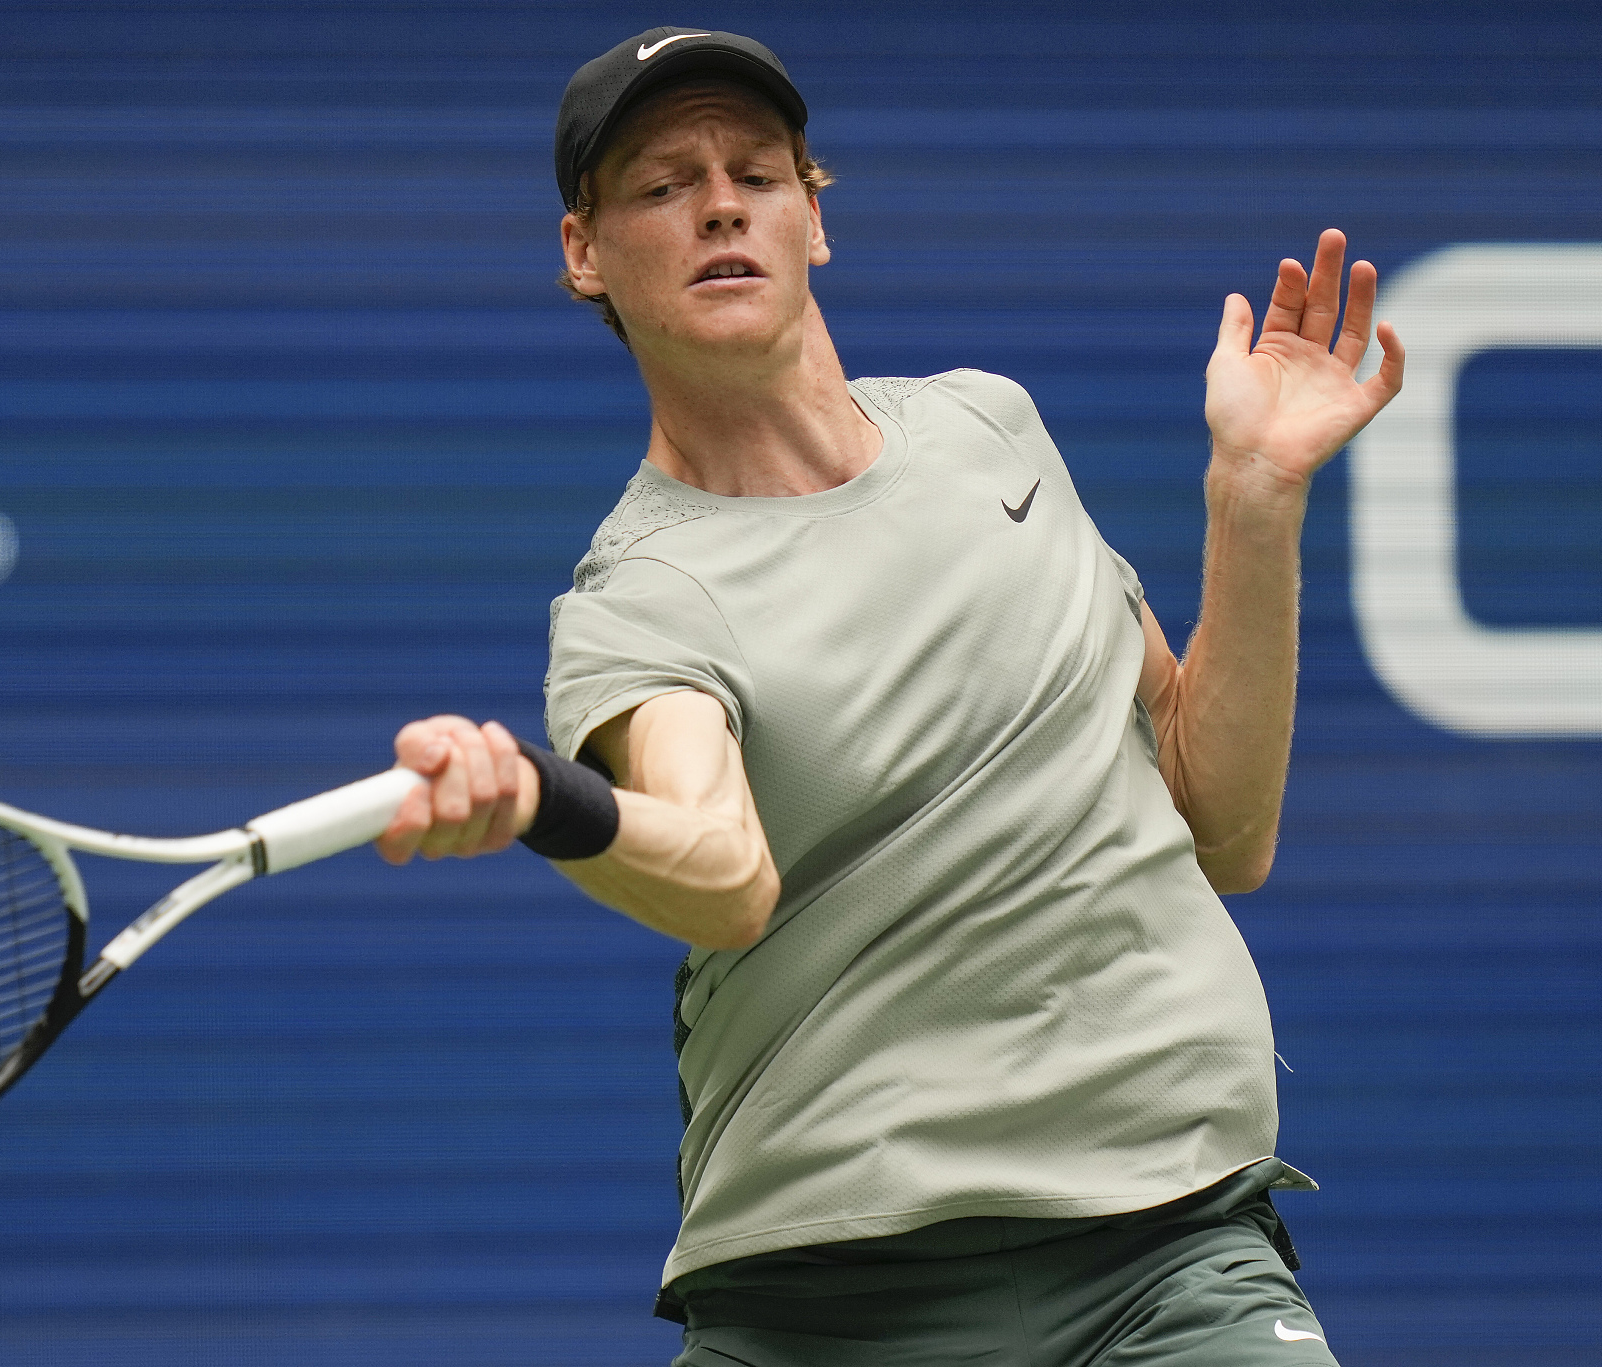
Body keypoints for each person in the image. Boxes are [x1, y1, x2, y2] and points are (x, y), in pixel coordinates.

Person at [375, 28, 1404, 1367]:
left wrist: (1253, 501)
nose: (722, 202)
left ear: (816, 215)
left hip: (1172, 1247)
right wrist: (544, 800)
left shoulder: (992, 429)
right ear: (585, 254)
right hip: (827, 1304)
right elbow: (721, 868)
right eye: (663, 185)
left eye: (756, 171)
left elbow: (1221, 824)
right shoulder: (641, 596)